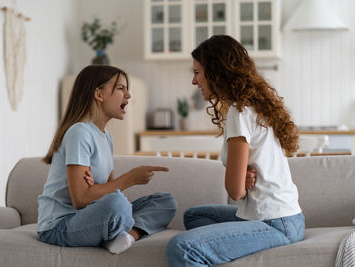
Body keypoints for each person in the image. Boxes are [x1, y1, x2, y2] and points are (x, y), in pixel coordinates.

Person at [166, 35, 304, 266]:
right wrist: (241, 176)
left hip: (274, 222)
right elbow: (240, 185)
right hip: (288, 217)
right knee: (195, 216)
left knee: (181, 247)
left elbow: (235, 192)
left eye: (197, 72)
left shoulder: (239, 113)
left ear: (216, 72)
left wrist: (239, 178)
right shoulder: (254, 107)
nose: (194, 81)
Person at [37, 65, 177, 254]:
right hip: (60, 225)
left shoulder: (106, 137)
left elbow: (109, 190)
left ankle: (127, 236)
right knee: (118, 204)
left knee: (165, 201)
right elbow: (80, 199)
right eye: (120, 88)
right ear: (99, 94)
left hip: (90, 215)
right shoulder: (79, 133)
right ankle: (116, 233)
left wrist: (97, 191)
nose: (128, 95)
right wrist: (131, 178)